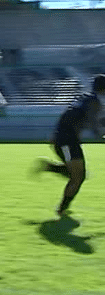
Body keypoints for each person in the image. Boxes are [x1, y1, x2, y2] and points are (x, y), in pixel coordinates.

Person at [34, 74, 105, 217]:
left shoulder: (84, 98)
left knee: (77, 175)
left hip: (64, 139)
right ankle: (61, 210)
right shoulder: (94, 102)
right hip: (67, 141)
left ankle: (50, 167)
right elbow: (93, 124)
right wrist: (101, 134)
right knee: (78, 177)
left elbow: (72, 116)